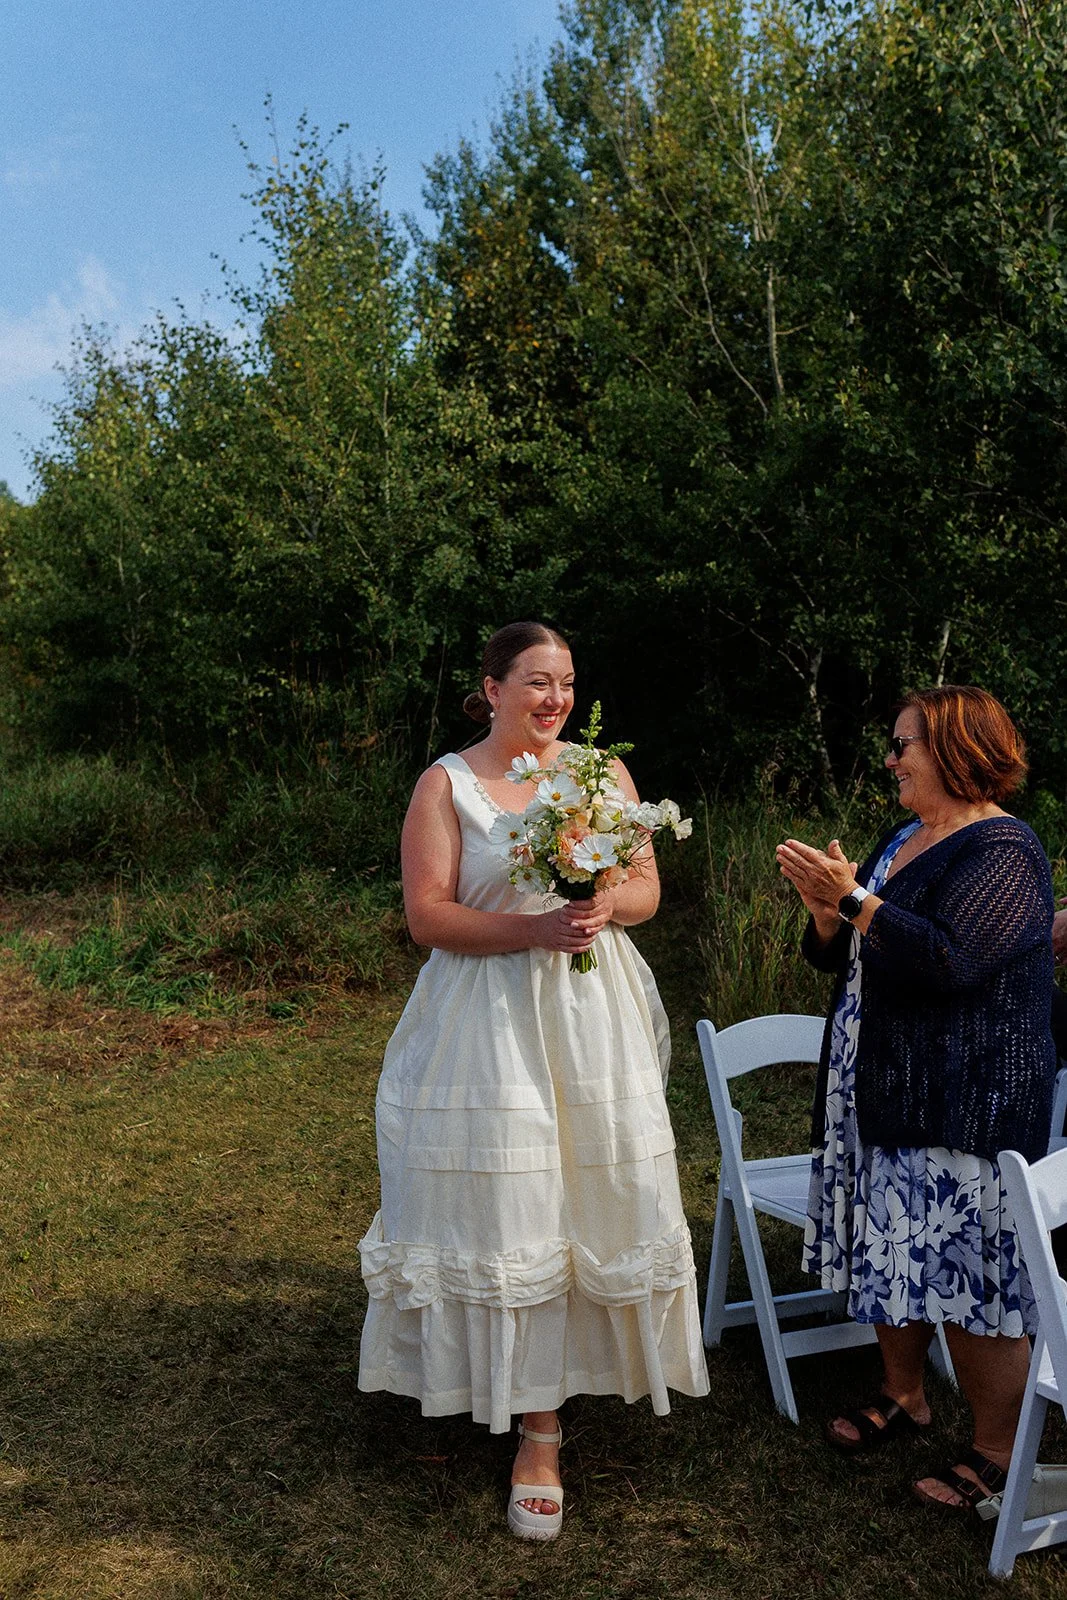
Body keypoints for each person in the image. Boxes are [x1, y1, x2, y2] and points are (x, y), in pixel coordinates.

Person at [358, 621, 708, 1540]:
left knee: (591, 1189)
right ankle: (528, 1421)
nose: (553, 699)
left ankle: (554, 1402)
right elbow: (428, 916)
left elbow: (644, 891)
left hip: (591, 1013)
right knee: (510, 1201)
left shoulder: (601, 774)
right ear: (492, 687)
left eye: (565, 683)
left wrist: (597, 904)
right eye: (535, 682)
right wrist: (532, 930)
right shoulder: (448, 783)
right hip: (486, 1017)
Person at [776, 685, 1056, 1516]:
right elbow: (843, 954)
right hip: (874, 1083)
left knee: (969, 1282)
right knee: (884, 1252)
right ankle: (905, 1396)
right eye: (892, 745)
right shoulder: (902, 835)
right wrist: (825, 914)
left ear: (958, 749)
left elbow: (948, 962)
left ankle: (997, 1449)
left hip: (960, 1095)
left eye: (904, 746)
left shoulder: (1003, 848)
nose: (890, 760)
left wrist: (854, 902)